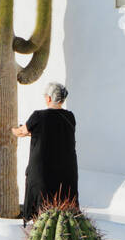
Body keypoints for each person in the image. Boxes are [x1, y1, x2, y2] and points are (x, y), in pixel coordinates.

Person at [12, 81, 78, 220]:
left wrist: (12, 129)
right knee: (63, 211)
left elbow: (22, 131)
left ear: (48, 98)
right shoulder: (70, 117)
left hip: (43, 172)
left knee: (42, 210)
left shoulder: (38, 116)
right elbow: (51, 133)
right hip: (65, 172)